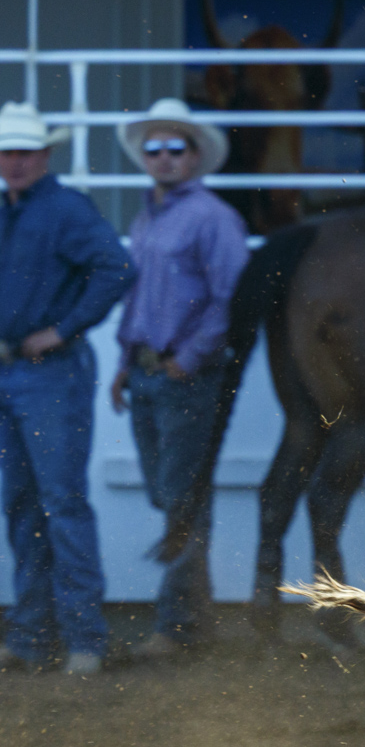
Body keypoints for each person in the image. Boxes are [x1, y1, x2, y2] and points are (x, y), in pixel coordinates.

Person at [109, 98, 250, 659]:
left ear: (195, 156)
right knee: (173, 493)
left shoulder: (212, 217)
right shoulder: (149, 215)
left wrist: (189, 357)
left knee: (180, 497)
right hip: (149, 370)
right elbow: (140, 296)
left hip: (182, 374)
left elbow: (228, 297)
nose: (164, 157)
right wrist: (125, 362)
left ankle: (180, 625)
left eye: (176, 147)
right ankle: (194, 619)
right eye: (154, 148)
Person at [0, 102, 134, 676]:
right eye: (7, 151)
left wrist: (61, 330)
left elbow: (117, 269)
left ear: (45, 154)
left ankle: (84, 639)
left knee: (60, 503)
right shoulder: (12, 208)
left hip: (50, 372)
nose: (16, 160)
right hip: (13, 372)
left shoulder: (64, 208)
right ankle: (33, 637)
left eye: (25, 151)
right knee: (25, 505)